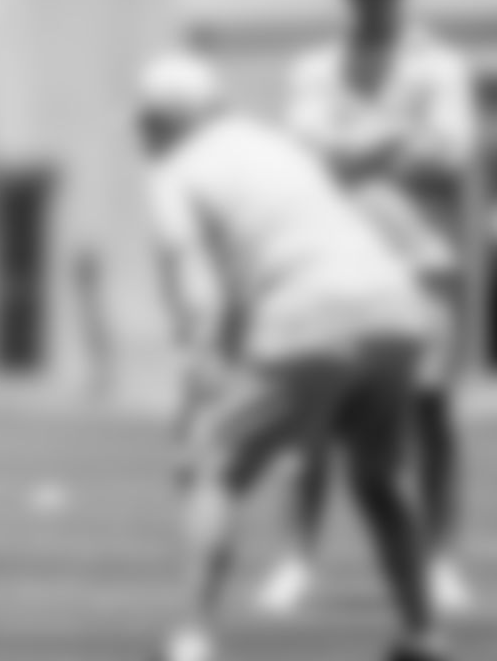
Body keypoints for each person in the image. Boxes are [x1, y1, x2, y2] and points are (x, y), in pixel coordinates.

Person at [142, 52, 444, 661]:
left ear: (160, 120)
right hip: (395, 309)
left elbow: (200, 290)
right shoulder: (272, 145)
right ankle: (420, 632)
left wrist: (197, 379)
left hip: (309, 311)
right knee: (380, 477)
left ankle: (193, 638)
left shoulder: (174, 172)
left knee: (213, 466)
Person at [260, 0, 480, 617]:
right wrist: (397, 135)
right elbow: (303, 159)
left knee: (431, 410)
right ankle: (297, 559)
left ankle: (439, 561)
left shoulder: (440, 66)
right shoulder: (313, 68)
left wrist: (352, 147)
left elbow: (450, 156)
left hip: (422, 263)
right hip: (333, 265)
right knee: (314, 415)